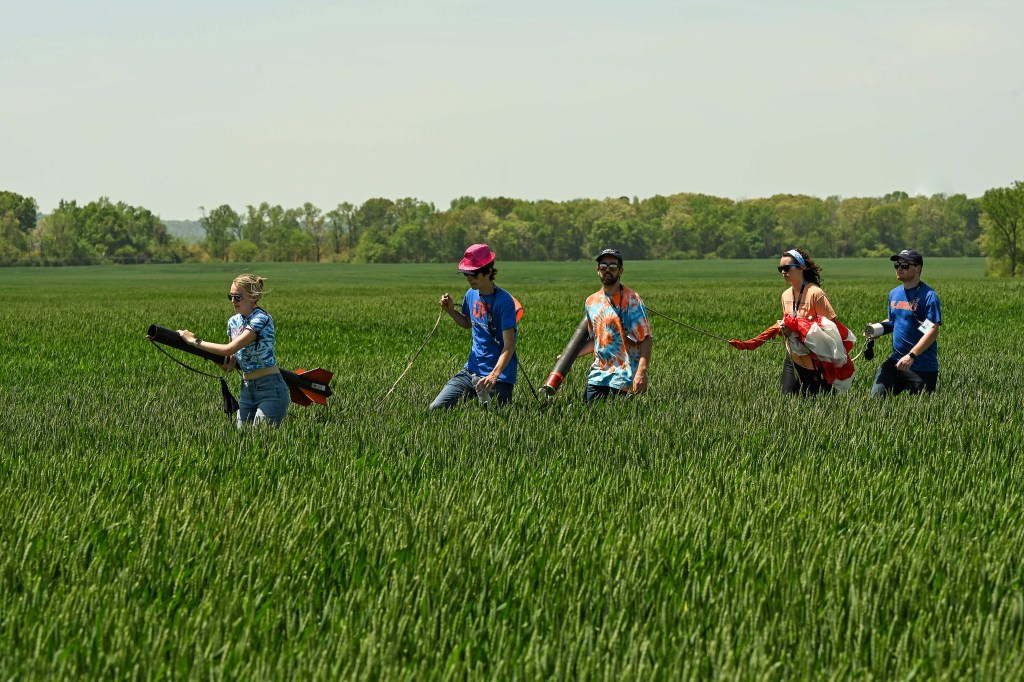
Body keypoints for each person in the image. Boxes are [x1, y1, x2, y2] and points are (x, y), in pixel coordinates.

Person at [729, 249, 850, 396]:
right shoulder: (785, 295)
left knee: (816, 404)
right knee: (786, 399)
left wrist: (800, 328)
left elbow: (831, 329)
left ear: (800, 267)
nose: (783, 272)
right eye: (780, 269)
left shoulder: (815, 293)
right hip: (792, 357)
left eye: (787, 268)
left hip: (814, 361)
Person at [178, 274, 290, 427]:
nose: (233, 301)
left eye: (238, 297)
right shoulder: (233, 322)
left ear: (254, 297)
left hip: (271, 389)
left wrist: (194, 341)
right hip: (246, 390)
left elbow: (229, 348)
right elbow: (228, 365)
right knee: (241, 442)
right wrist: (209, 355)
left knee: (261, 439)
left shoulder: (261, 319)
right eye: (230, 296)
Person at [430, 244, 520, 411]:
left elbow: (509, 346)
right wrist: (450, 310)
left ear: (488, 271)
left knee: (496, 422)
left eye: (474, 273)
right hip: (471, 370)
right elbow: (467, 323)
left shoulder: (504, 301)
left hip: (498, 377)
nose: (469, 278)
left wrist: (493, 376)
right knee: (436, 408)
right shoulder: (471, 294)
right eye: (466, 274)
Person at [576, 248, 652, 404]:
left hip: (624, 377)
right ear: (598, 270)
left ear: (621, 271)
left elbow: (645, 337)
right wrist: (570, 357)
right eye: (603, 266)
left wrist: (642, 372)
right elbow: (596, 341)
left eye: (613, 266)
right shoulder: (591, 302)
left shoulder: (632, 300)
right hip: (598, 375)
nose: (607, 270)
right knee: (590, 419)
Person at [867, 249, 942, 396]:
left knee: (921, 415)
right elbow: (894, 321)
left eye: (905, 265)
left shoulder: (929, 296)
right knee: (874, 402)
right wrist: (876, 329)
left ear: (918, 268)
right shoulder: (894, 294)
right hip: (896, 362)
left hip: (922, 367)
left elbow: (932, 330)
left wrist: (911, 356)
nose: (900, 268)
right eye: (897, 265)